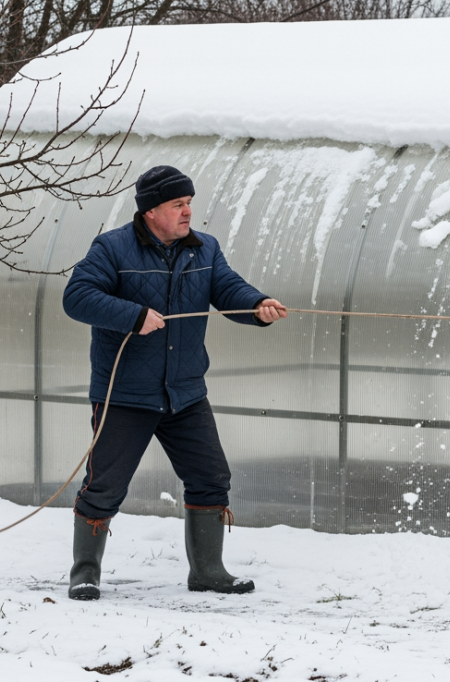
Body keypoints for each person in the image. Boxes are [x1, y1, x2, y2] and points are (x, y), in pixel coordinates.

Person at [62, 165, 288, 601]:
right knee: (105, 485)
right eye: (177, 205)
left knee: (210, 477)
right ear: (150, 211)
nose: (188, 212)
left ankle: (207, 571)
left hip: (184, 392)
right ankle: (85, 571)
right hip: (125, 394)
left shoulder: (203, 249)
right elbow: (77, 298)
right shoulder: (112, 249)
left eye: (189, 204)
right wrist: (133, 315)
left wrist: (256, 305)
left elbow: (228, 289)